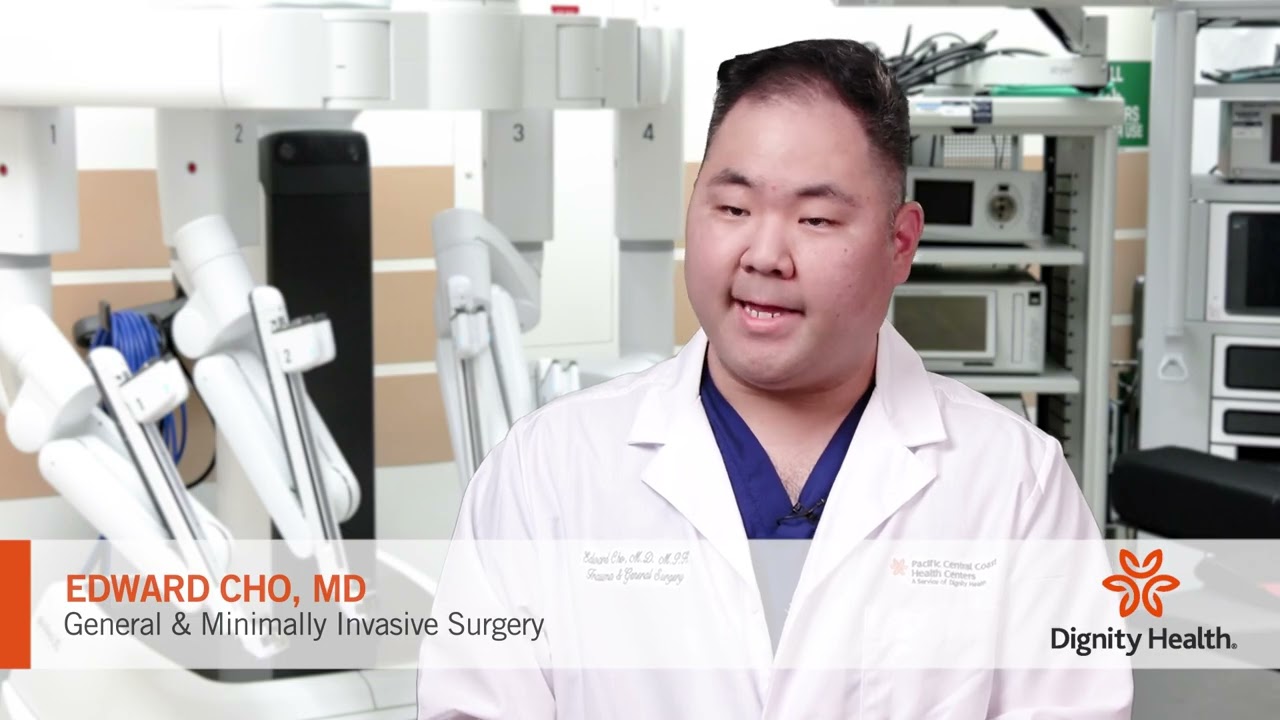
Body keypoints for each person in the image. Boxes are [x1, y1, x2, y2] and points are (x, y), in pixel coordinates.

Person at [418, 38, 1132, 719]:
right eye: (733, 209)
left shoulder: (1015, 484)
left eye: (816, 219)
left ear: (900, 242)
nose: (764, 254)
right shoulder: (546, 471)